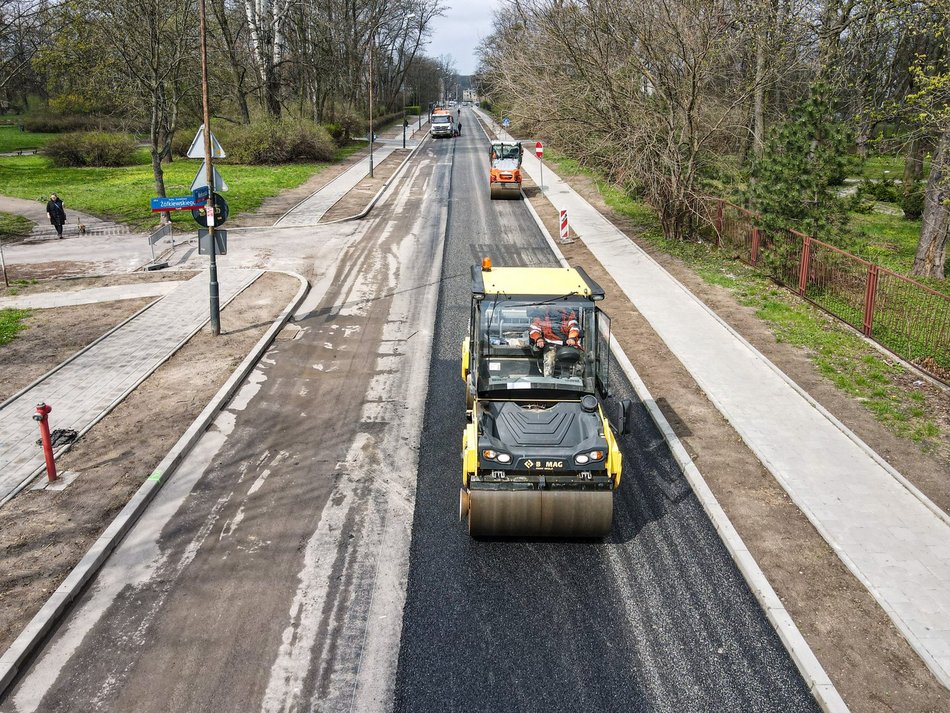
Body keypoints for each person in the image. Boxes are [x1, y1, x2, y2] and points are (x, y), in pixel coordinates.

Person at [529, 305, 580, 377]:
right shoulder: (542, 314)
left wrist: (572, 338)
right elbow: (534, 329)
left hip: (567, 344)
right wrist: (539, 339)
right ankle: (548, 378)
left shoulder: (568, 313)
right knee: (549, 358)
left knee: (575, 357)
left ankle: (571, 378)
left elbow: (574, 327)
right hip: (550, 344)